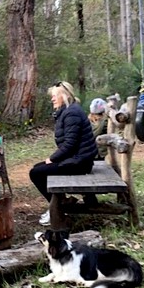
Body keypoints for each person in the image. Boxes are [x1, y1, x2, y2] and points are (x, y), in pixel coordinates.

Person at [29, 81, 97, 226]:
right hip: (77, 159)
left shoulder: (71, 113)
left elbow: (70, 144)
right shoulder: (68, 111)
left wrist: (52, 159)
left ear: (65, 96)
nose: (52, 99)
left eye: (55, 96)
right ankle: (62, 202)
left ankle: (59, 206)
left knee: (36, 173)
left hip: (80, 163)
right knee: (37, 168)